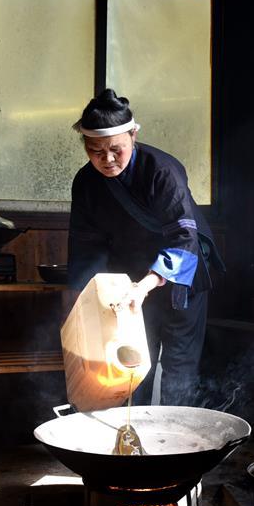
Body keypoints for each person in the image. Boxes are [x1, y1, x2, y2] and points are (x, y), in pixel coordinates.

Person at [67, 88, 224, 406]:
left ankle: (175, 444)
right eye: (96, 151)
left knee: (179, 367)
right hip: (129, 282)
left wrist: (147, 284)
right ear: (85, 145)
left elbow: (184, 237)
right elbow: (87, 246)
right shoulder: (85, 183)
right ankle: (131, 443)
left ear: (133, 134)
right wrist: (85, 299)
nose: (107, 160)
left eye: (116, 149)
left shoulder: (162, 171)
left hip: (181, 275)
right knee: (132, 361)